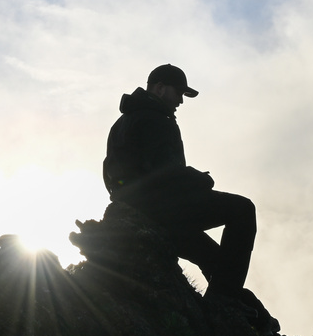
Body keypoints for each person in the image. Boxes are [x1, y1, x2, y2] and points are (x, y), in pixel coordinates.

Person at [103, 64, 268, 316]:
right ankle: (223, 302)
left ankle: (242, 308)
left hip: (140, 209)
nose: (181, 100)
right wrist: (200, 180)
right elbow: (165, 174)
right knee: (242, 209)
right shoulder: (154, 119)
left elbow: (115, 173)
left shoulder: (124, 122)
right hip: (158, 209)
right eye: (178, 92)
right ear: (159, 88)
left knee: (217, 260)